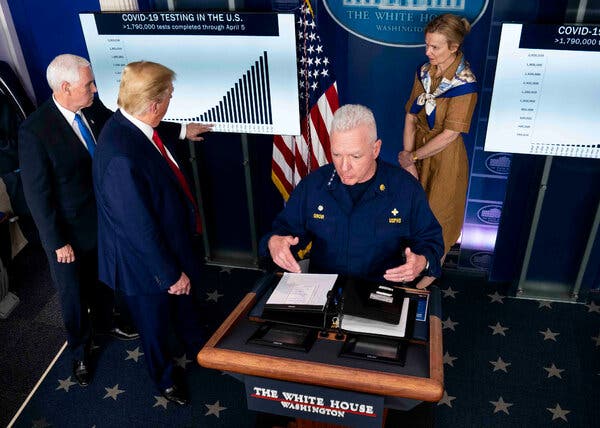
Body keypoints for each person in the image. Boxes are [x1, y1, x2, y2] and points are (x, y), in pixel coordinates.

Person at [18, 54, 210, 387]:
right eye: (88, 84)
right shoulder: (35, 131)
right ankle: (81, 352)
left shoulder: (95, 111)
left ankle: (114, 322)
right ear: (65, 87)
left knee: (110, 290)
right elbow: (37, 195)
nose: (95, 89)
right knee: (75, 298)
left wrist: (181, 129)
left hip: (108, 220)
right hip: (73, 233)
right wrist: (56, 241)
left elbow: (136, 119)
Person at [93, 61, 206, 406]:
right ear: (155, 104)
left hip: (170, 245)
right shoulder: (120, 158)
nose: (173, 99)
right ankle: (165, 381)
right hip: (144, 266)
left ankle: (197, 346)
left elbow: (154, 138)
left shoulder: (130, 122)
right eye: (170, 94)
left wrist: (185, 130)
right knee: (154, 328)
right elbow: (138, 229)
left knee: (186, 308)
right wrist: (170, 275)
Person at [261, 104, 444, 285]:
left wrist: (422, 262)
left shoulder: (405, 189)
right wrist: (274, 242)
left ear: (375, 149)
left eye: (355, 156)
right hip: (322, 290)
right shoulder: (313, 186)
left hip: (379, 292)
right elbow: (284, 231)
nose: (344, 167)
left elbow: (431, 242)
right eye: (337, 155)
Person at [397, 14, 478, 289]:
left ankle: (433, 266)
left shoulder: (465, 82)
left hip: (444, 157)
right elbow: (411, 115)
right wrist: (408, 157)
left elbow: (450, 134)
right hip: (417, 149)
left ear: (453, 47)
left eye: (435, 47)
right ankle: (411, 260)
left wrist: (415, 157)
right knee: (412, 210)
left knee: (441, 210)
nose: (427, 52)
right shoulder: (424, 72)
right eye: (427, 45)